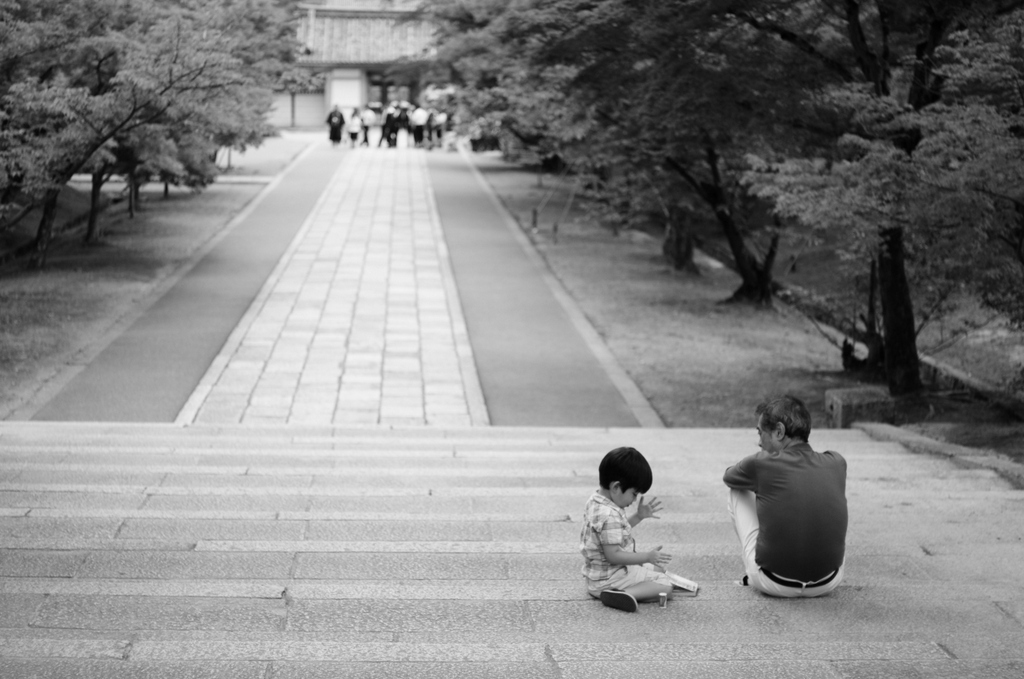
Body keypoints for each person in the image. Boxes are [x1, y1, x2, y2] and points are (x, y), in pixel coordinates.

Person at [723, 395, 848, 598]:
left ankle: (753, 571)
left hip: (774, 582)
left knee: (736, 491)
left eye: (760, 433)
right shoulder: (837, 461)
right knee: (823, 498)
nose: (759, 442)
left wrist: (761, 483)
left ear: (779, 432)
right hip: (828, 581)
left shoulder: (761, 463)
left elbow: (729, 477)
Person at [579, 447, 699, 612]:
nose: (634, 499)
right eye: (634, 494)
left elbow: (612, 534)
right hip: (611, 579)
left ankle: (623, 591)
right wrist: (647, 557)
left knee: (659, 569)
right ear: (616, 487)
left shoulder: (596, 501)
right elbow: (613, 555)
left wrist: (638, 516)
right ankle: (623, 595)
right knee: (665, 586)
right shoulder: (609, 515)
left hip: (598, 576)